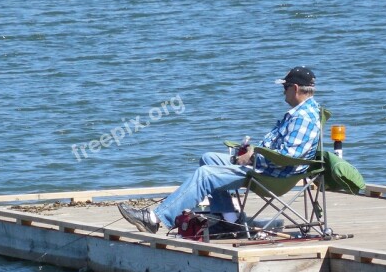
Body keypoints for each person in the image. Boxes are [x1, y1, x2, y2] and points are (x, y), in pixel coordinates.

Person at [118, 66, 322, 233]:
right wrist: (250, 152)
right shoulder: (304, 112)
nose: (283, 91)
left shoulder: (302, 118)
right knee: (209, 159)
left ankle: (155, 218)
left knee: (206, 175)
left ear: (295, 88)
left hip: (273, 176)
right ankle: (229, 219)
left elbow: (288, 157)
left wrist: (253, 158)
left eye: (285, 87)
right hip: (268, 167)